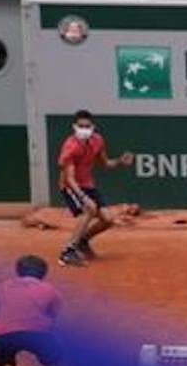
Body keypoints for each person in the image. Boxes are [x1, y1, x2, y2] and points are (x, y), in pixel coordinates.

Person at [55, 112, 135, 268]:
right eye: (80, 126)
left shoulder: (98, 140)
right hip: (70, 185)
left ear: (93, 127)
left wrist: (120, 161)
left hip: (88, 184)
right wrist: (83, 198)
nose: (84, 129)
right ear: (74, 127)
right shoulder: (70, 147)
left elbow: (105, 163)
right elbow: (70, 178)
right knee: (89, 210)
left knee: (108, 219)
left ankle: (83, 241)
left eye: (87, 126)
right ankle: (67, 252)